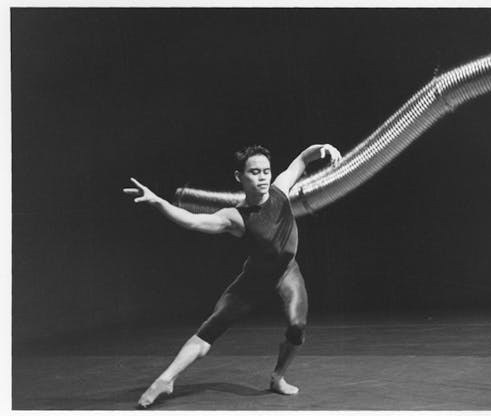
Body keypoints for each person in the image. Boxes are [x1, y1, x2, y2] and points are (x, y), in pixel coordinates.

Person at [123, 144, 342, 408]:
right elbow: (192, 221)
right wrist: (159, 202)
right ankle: (166, 379)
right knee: (211, 328)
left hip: (287, 272)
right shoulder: (235, 217)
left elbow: (302, 159)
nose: (262, 177)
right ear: (239, 177)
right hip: (254, 280)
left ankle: (277, 377)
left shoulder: (281, 190)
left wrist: (323, 148)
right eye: (254, 172)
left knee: (297, 326)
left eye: (266, 171)